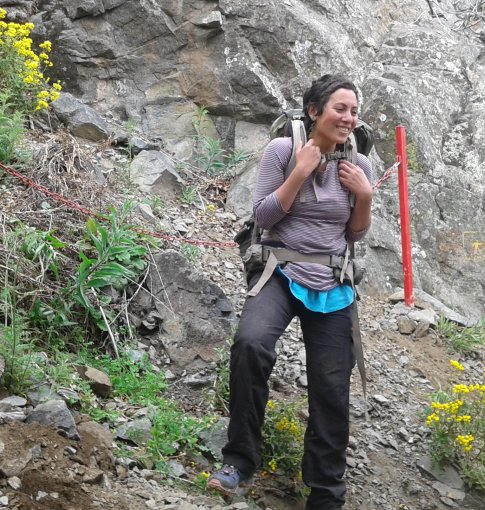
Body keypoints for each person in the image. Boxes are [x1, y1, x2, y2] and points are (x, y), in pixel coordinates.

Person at [207, 74, 374, 509]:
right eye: (341, 108)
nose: (349, 118)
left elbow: (355, 234)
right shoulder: (283, 151)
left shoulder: (360, 163)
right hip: (279, 272)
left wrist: (366, 198)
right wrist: (300, 172)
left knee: (332, 385)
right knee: (250, 344)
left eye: (354, 111)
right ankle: (239, 463)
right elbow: (263, 216)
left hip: (333, 283)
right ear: (315, 111)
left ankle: (325, 493)